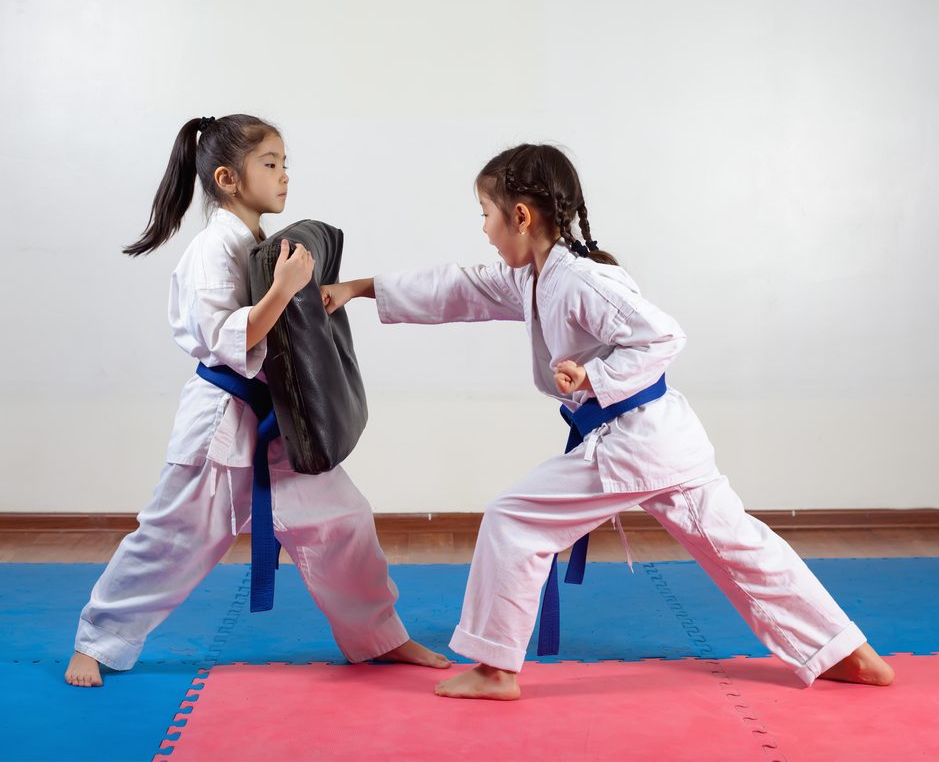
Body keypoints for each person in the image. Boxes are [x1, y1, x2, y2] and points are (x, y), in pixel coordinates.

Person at [321, 143, 895, 700]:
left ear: (520, 216)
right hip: (664, 438)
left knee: (513, 521)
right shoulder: (534, 277)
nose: (485, 230)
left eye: (486, 214)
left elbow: (662, 336)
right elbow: (460, 287)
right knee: (737, 543)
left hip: (632, 440)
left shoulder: (580, 280)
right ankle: (845, 651)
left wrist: (594, 378)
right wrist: (358, 289)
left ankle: (495, 670)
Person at [65, 114, 449, 687]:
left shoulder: (261, 246)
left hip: (279, 422)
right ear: (227, 178)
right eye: (270, 164)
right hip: (220, 428)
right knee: (172, 540)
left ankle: (379, 637)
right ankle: (96, 641)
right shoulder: (210, 249)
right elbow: (230, 338)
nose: (284, 175)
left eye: (285, 163)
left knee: (344, 521)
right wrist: (284, 290)